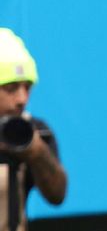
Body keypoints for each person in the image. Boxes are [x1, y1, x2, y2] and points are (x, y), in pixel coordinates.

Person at [0, 29, 66, 231]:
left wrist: (36, 152)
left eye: (27, 87)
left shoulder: (32, 131)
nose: (21, 99)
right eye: (11, 88)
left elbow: (57, 195)